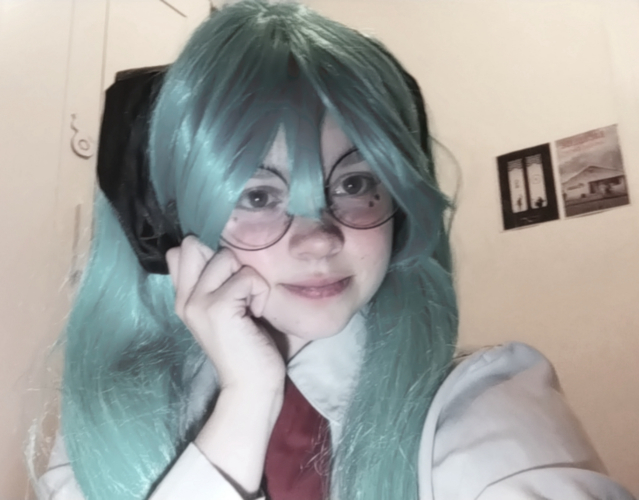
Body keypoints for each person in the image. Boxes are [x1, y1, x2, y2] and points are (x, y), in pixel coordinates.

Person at [35, 1, 635, 499]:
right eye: (257, 195)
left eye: (354, 184)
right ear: (169, 225)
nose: (319, 238)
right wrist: (246, 404)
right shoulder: (108, 426)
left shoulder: (483, 408)